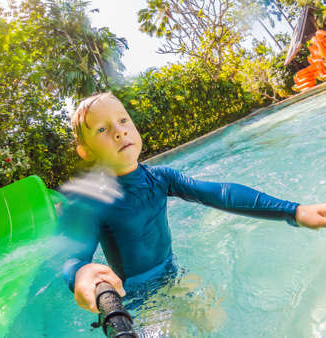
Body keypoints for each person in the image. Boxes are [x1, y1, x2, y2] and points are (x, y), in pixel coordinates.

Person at [59, 92, 326, 316]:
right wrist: (82, 274)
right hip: (139, 298)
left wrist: (294, 211)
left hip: (174, 274)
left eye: (123, 119)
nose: (119, 131)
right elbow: (73, 257)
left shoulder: (160, 178)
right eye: (102, 129)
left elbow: (220, 193)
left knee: (213, 319)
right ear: (86, 151)